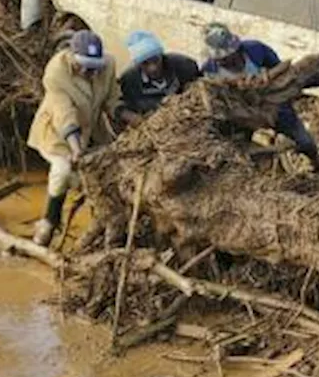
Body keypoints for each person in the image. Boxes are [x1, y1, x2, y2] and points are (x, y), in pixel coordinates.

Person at [27, 30, 130, 247]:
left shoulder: (107, 66)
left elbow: (112, 99)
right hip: (57, 133)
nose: (88, 71)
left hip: (91, 129)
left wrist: (131, 118)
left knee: (110, 170)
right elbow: (65, 115)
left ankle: (107, 222)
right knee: (63, 170)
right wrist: (75, 150)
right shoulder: (56, 74)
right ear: (72, 57)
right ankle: (49, 220)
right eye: (84, 65)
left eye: (94, 67)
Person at [199, 22, 319, 172]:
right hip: (242, 114)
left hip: (273, 104)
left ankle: (317, 163)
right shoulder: (209, 70)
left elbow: (280, 70)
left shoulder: (255, 50)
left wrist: (265, 78)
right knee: (242, 153)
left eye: (228, 57)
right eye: (220, 59)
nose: (224, 61)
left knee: (304, 141)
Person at [118, 30, 201, 117]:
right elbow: (121, 105)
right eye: (145, 63)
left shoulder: (184, 66)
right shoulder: (129, 81)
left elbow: (200, 86)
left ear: (162, 56)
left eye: (156, 60)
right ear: (138, 64)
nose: (153, 68)